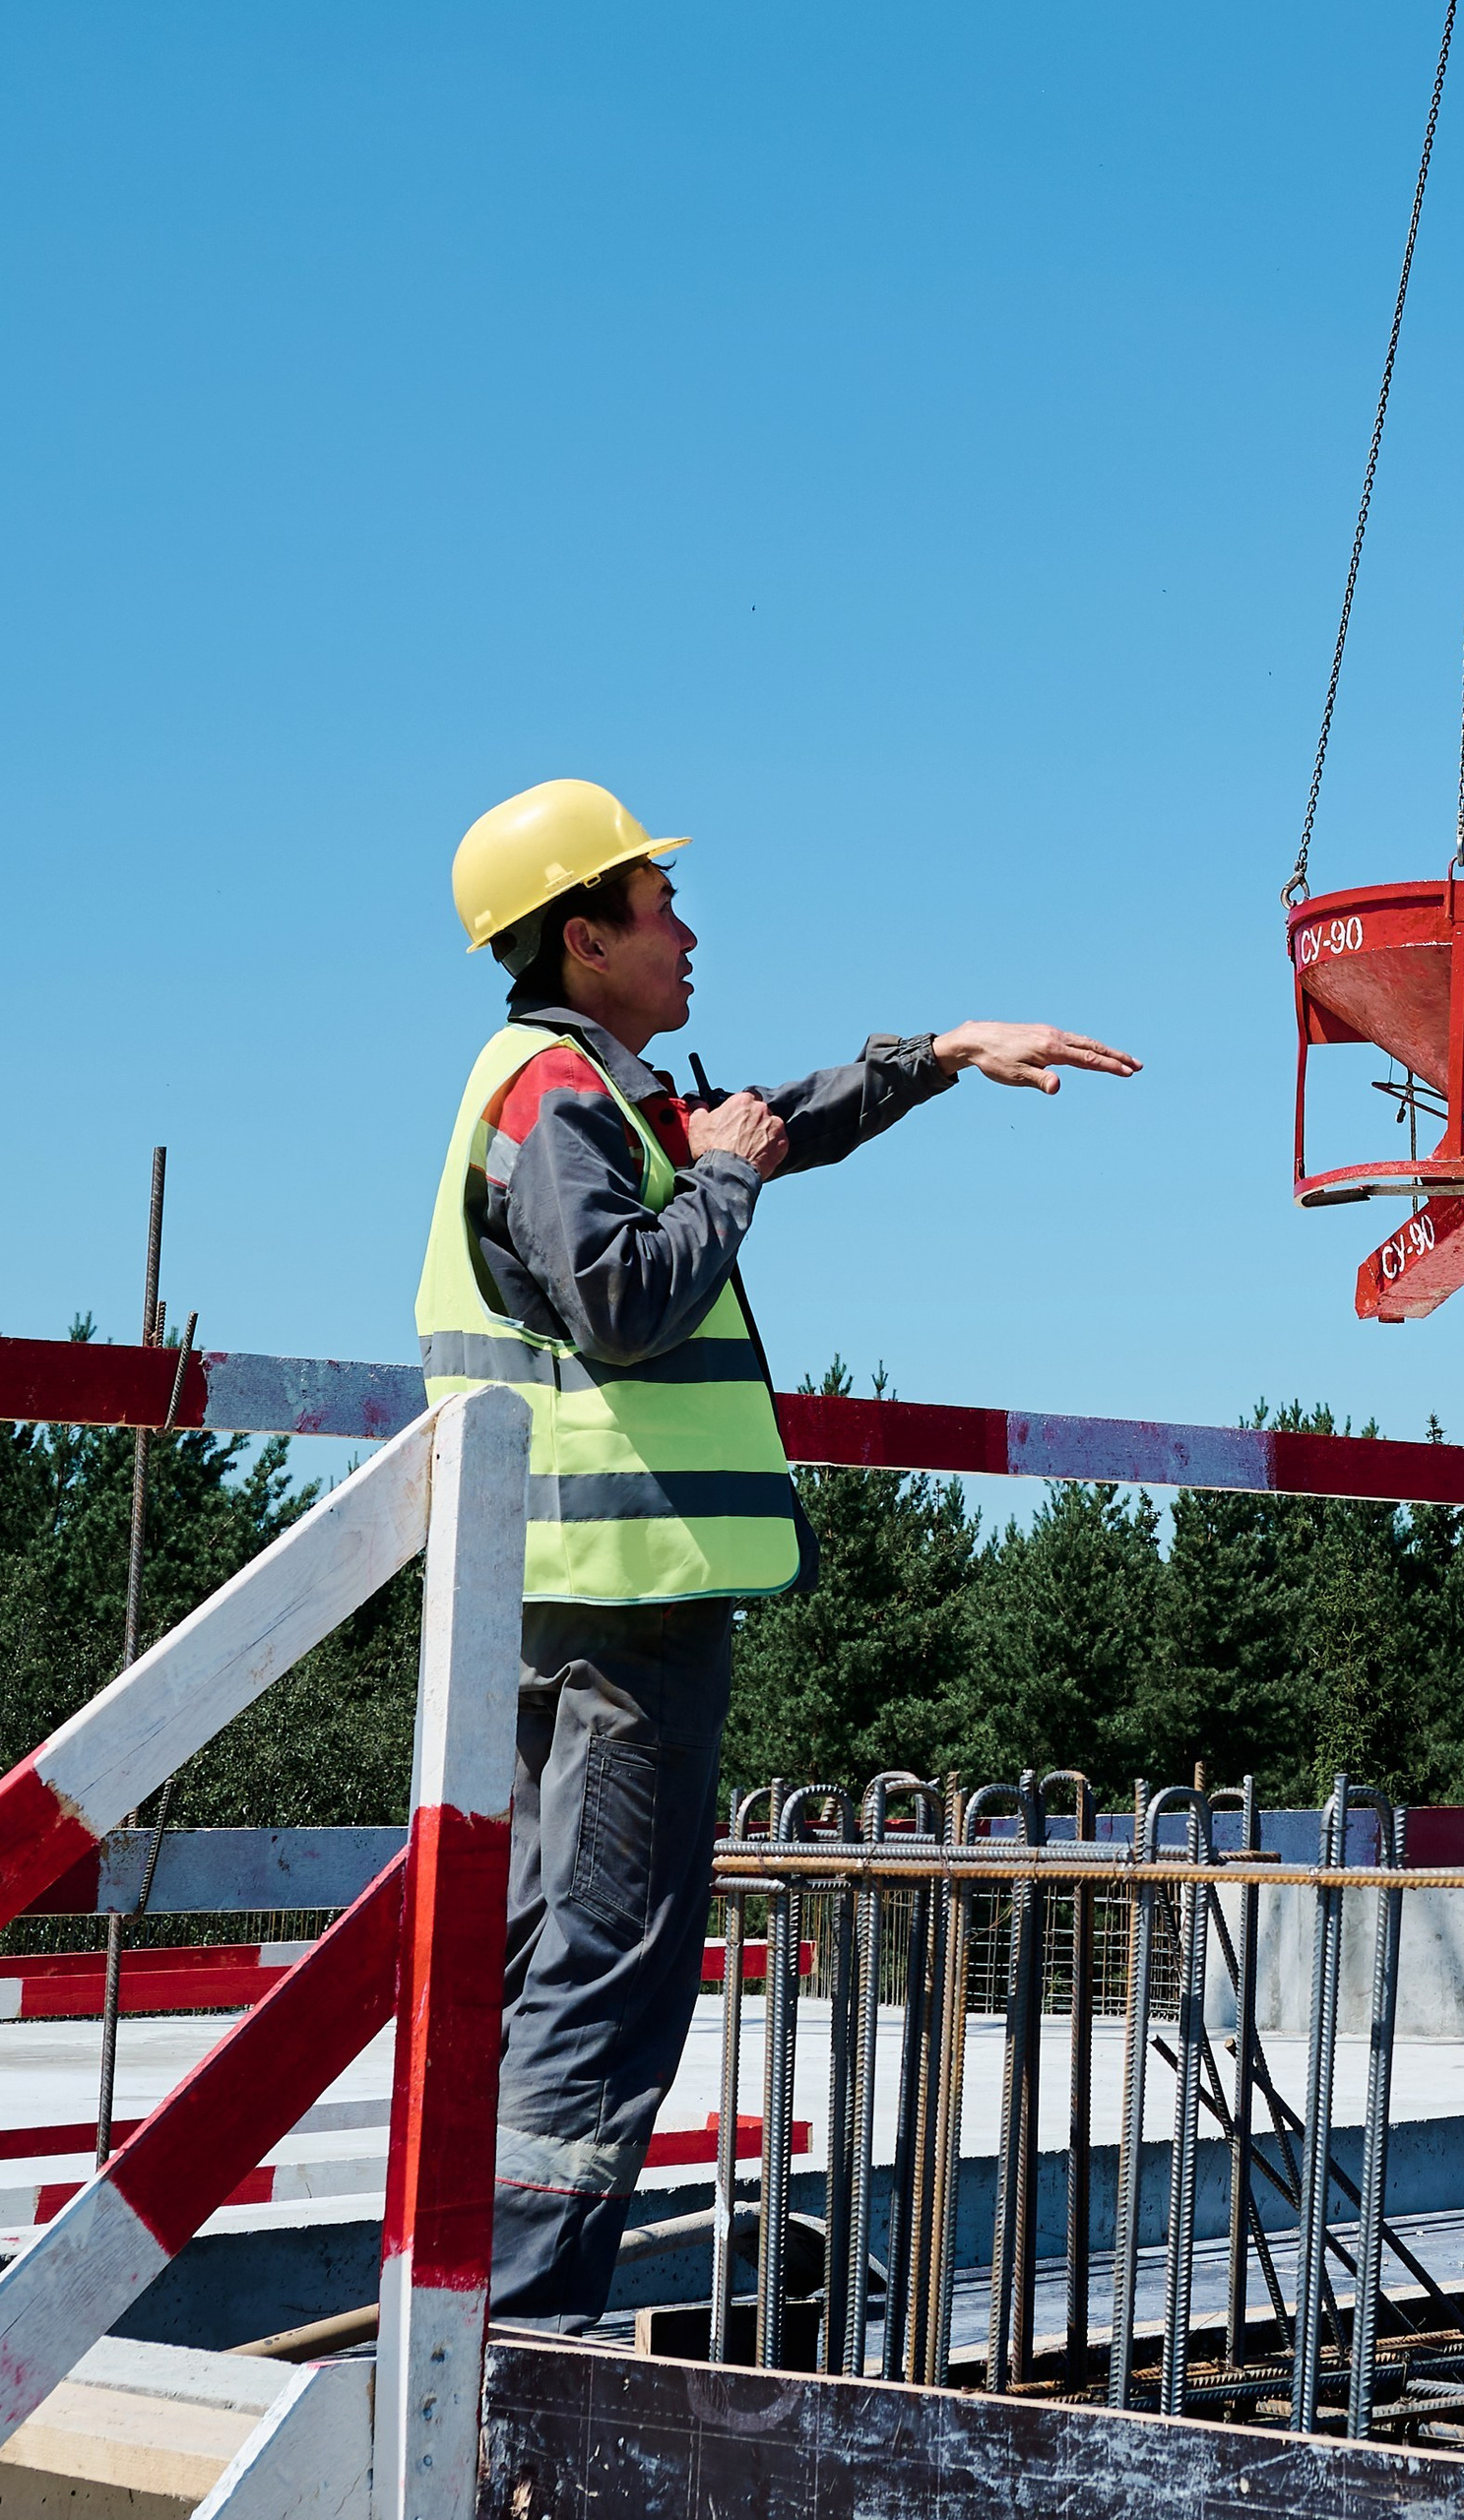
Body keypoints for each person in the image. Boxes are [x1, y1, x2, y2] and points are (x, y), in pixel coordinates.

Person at [417, 775, 1138, 2329]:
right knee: (605, 1979)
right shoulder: (554, 1100)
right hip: (621, 1606)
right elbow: (623, 1296)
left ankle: (479, 2310)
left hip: (584, 1604)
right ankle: (521, 2343)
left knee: (551, 1949)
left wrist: (939, 1054)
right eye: (655, 904)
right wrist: (730, 1176)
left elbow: (779, 1122)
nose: (686, 930)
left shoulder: (591, 1092)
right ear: (579, 934)